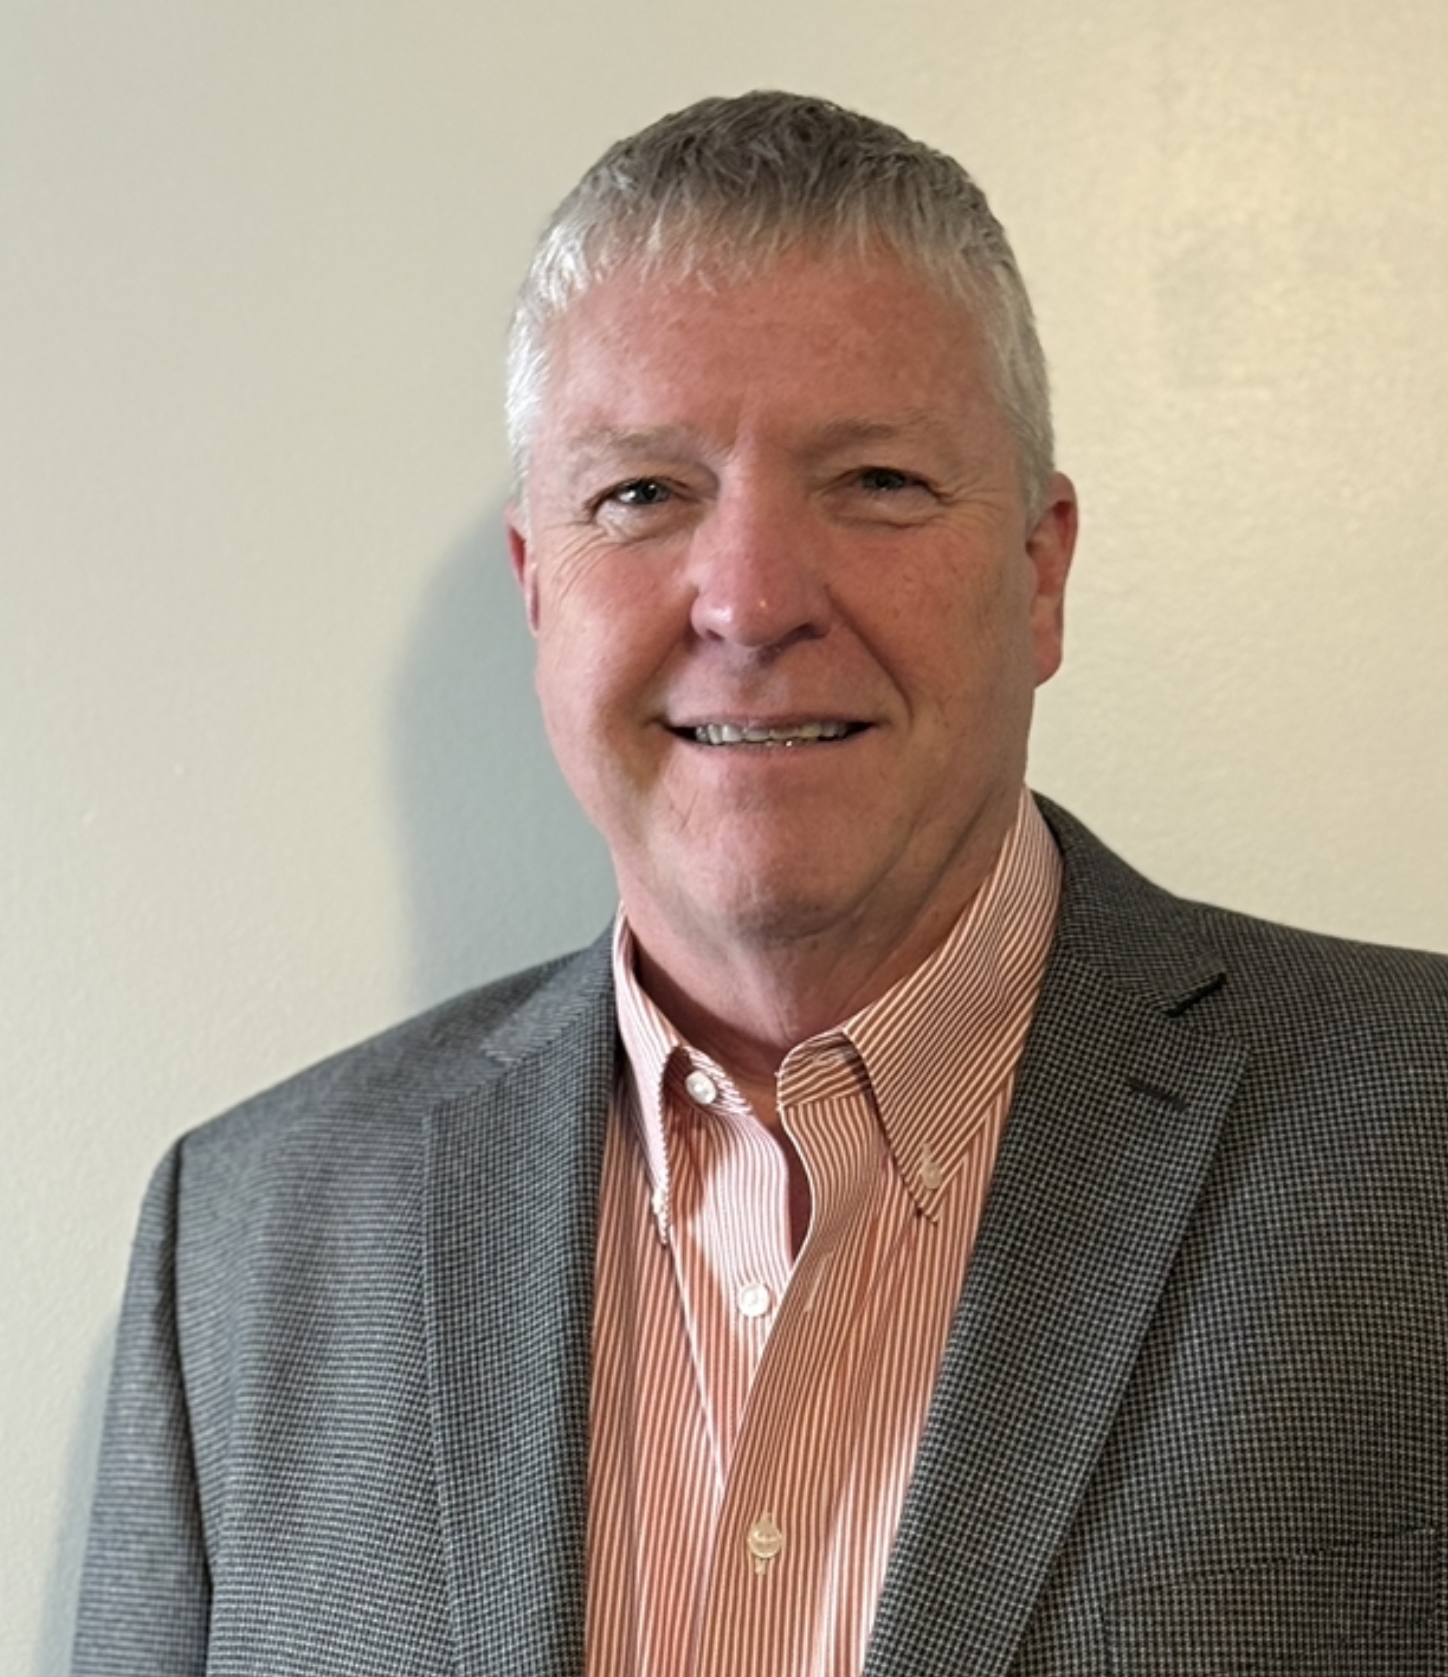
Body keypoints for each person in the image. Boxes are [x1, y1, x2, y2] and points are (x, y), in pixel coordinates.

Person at [74, 91, 1448, 1677]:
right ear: (542, 588)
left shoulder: (1415, 1133)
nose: (750, 598)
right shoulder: (246, 1243)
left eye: (873, 480)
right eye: (643, 494)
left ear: (1042, 569)